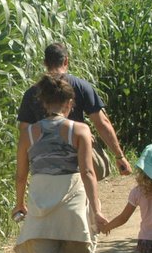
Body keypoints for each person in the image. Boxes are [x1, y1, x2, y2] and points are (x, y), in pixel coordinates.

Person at [13, 74, 108, 253]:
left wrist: (20, 203)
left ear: (43, 103)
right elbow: (88, 172)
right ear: (69, 104)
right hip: (71, 198)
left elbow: (21, 174)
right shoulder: (79, 130)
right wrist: (97, 210)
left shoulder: (28, 133)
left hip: (41, 198)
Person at [17, 42, 132, 177]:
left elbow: (24, 130)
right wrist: (119, 156)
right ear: (66, 60)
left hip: (45, 163)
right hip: (78, 159)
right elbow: (102, 123)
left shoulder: (32, 93)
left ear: (45, 63)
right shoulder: (81, 86)